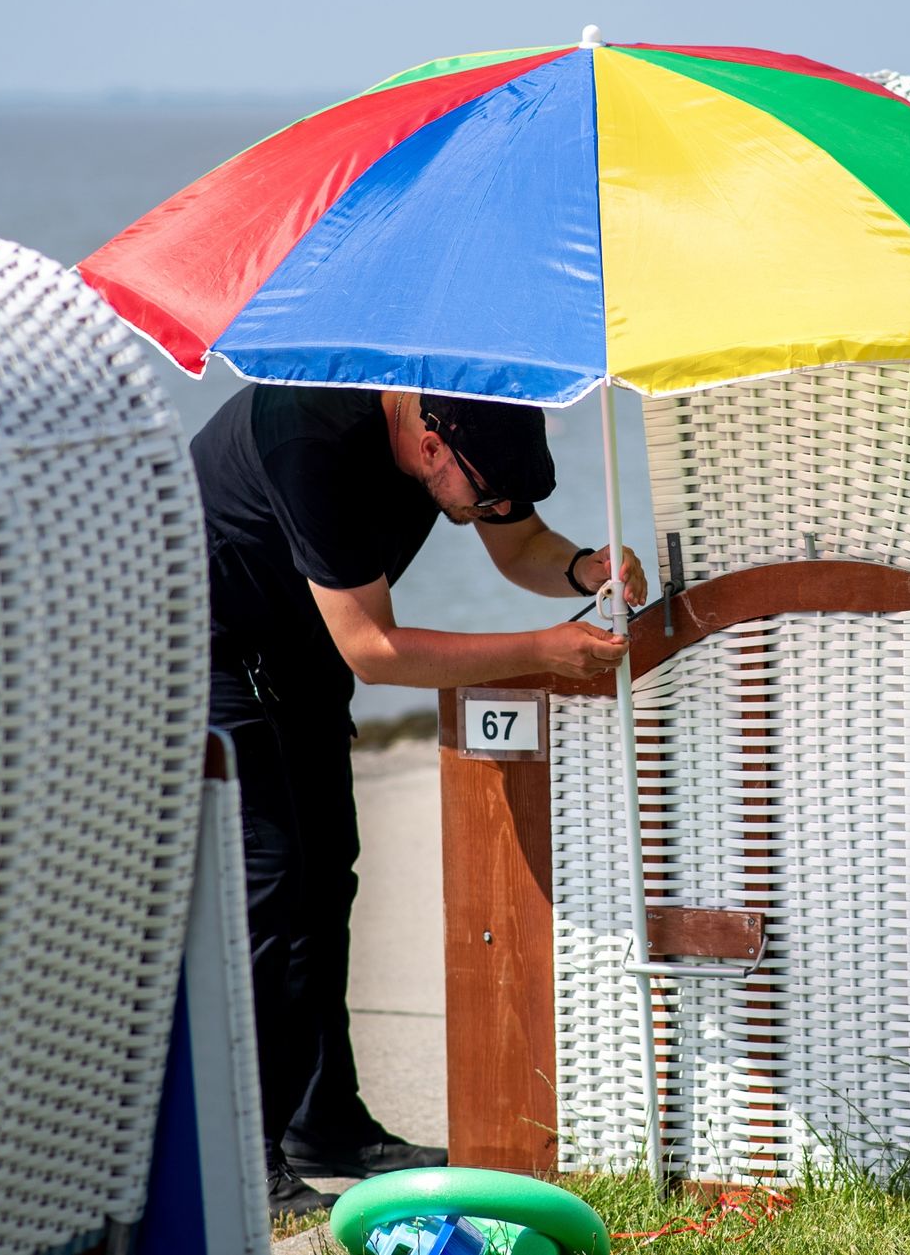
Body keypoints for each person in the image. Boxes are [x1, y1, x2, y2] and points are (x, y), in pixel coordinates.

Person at [191, 384, 645, 1216]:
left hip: (306, 639)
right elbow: (376, 649)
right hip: (210, 641)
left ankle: (324, 1123)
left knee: (329, 876)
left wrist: (587, 566)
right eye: (490, 495)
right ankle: (236, 1156)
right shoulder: (309, 436)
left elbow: (522, 549)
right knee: (273, 889)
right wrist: (545, 649)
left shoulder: (467, 410)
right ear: (432, 448)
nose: (500, 508)